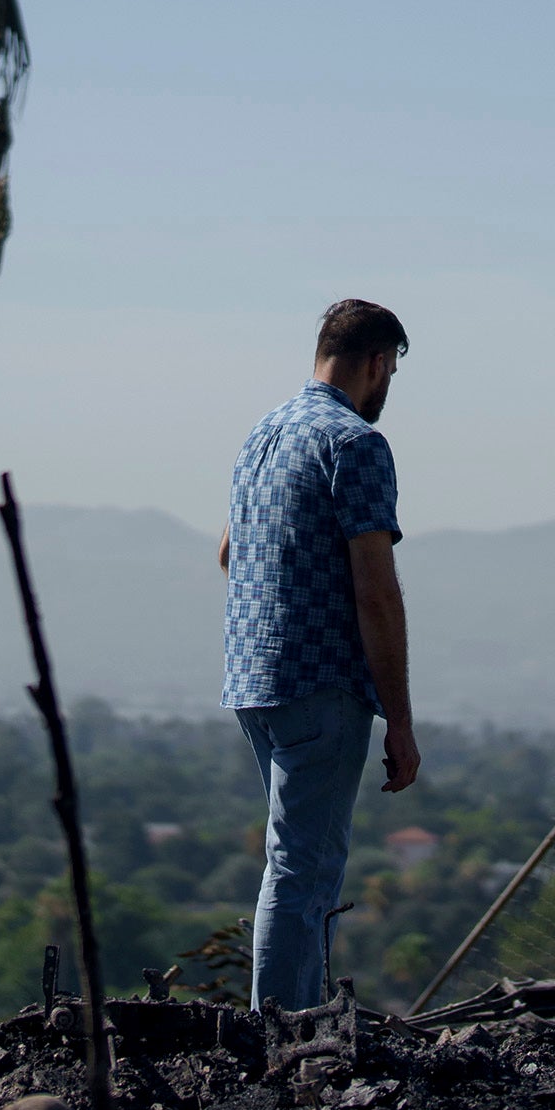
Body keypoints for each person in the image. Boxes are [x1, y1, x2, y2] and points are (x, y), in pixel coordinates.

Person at [219, 299, 419, 1015]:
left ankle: (288, 1028)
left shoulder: (263, 436)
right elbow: (377, 594)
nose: (387, 383)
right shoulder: (355, 444)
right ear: (376, 361)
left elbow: (227, 553)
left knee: (292, 866)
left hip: (253, 678)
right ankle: (283, 1040)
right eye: (391, 368)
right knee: (303, 874)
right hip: (322, 683)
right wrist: (399, 719)